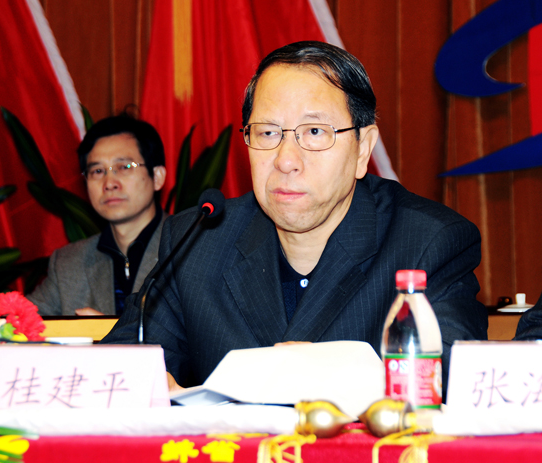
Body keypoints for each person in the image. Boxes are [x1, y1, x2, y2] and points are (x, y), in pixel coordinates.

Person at [102, 41, 487, 393]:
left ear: (362, 149)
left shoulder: (428, 243)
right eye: (268, 133)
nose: (286, 160)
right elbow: (114, 372)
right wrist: (144, 385)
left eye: (315, 131)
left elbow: (453, 383)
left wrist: (322, 372)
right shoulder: (199, 240)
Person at [27, 115, 167, 316]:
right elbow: (18, 322)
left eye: (124, 167)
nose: (109, 183)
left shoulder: (194, 250)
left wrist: (109, 331)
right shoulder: (69, 263)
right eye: (98, 171)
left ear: (157, 177)